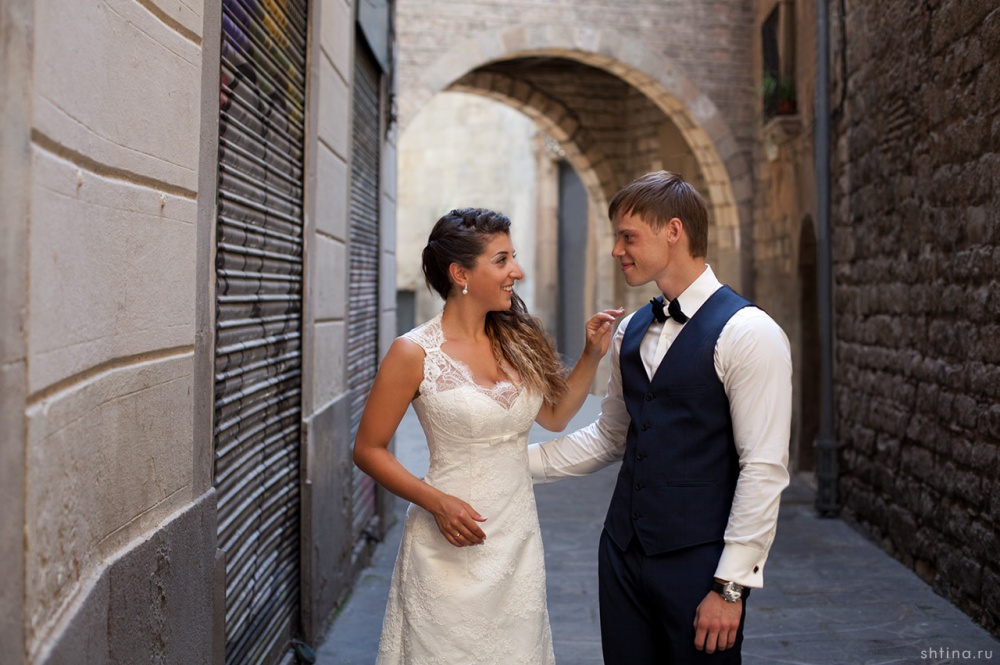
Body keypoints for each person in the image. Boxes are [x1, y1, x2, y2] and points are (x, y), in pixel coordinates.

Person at [528, 171, 792, 664]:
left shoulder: (750, 333)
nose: (617, 250)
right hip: (622, 556)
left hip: (701, 565)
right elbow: (611, 436)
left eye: (628, 237)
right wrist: (513, 463)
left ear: (673, 231)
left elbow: (763, 467)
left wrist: (731, 586)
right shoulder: (629, 330)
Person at [353, 207, 624, 665]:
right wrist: (436, 502)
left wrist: (591, 355)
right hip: (447, 543)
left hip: (517, 541)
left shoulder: (517, 340)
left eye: (512, 257)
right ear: (460, 274)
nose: (516, 271)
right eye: (502, 260)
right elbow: (367, 449)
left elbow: (555, 416)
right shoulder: (413, 352)